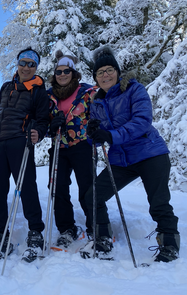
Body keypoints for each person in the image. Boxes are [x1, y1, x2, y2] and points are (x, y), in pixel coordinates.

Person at [79, 46, 180, 263]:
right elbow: (96, 139)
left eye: (109, 70)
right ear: (95, 78)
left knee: (158, 202)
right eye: (100, 72)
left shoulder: (134, 90)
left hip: (149, 153)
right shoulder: (96, 103)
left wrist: (110, 135)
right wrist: (93, 135)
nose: (105, 75)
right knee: (92, 196)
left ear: (117, 71)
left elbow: (142, 122)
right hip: (121, 160)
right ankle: (103, 238)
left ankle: (169, 242)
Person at [0, 47, 50, 263]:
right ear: (17, 64)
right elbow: (0, 114)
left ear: (36, 68)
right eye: (23, 63)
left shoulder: (40, 90)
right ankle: (2, 235)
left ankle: (35, 232)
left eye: (31, 64)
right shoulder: (6, 87)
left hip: (20, 141)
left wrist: (38, 132)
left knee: (27, 188)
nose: (26, 67)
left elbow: (43, 119)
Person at [46, 50, 96, 250]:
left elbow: (99, 113)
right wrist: (50, 125)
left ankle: (96, 227)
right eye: (59, 71)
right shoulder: (49, 96)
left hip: (82, 145)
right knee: (57, 189)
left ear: (74, 73)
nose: (62, 74)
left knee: (87, 187)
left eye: (67, 71)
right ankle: (67, 229)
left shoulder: (87, 91)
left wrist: (96, 126)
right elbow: (44, 121)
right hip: (59, 147)